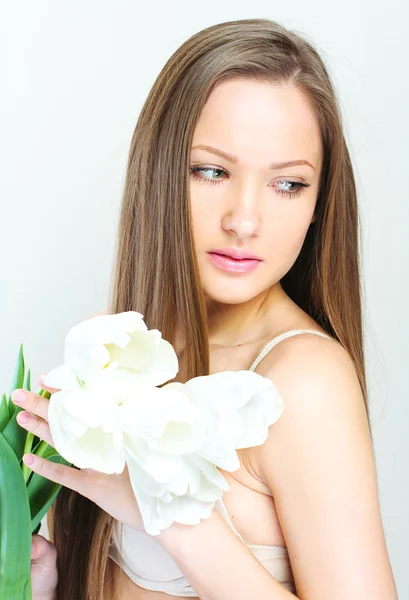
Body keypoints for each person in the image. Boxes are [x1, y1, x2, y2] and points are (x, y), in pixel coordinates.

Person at [14, 17, 398, 600]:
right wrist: (36, 581)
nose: (244, 220)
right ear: (161, 175)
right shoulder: (121, 352)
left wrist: (173, 515)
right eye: (213, 171)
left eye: (288, 184)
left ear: (320, 202)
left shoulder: (302, 382)